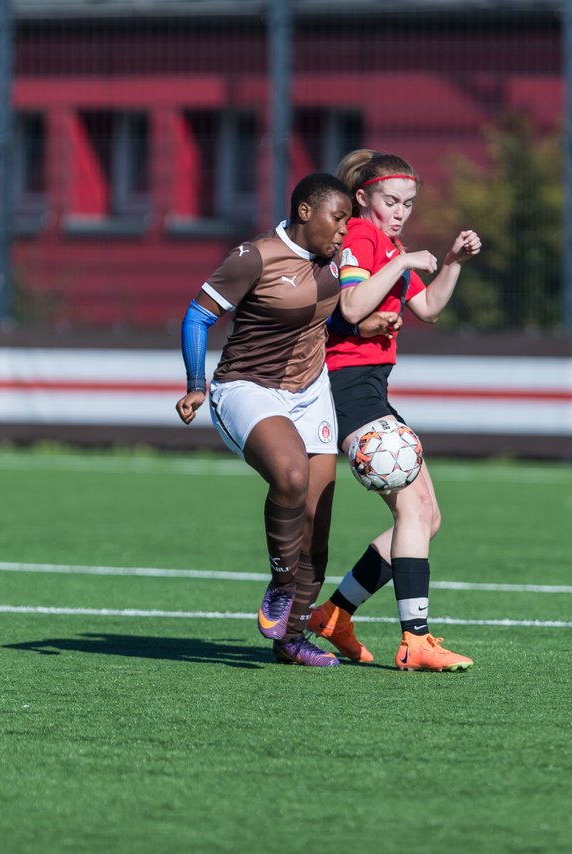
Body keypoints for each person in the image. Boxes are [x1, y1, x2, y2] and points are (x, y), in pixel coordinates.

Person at [175, 172, 397, 667]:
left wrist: (366, 323)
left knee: (317, 526)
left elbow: (328, 316)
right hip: (247, 389)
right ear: (304, 212)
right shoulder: (255, 256)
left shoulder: (335, 260)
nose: (344, 230)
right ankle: (280, 584)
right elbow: (198, 316)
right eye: (337, 218)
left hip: (310, 391)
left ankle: (291, 640)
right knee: (291, 476)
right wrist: (195, 383)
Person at [308, 149, 482, 672]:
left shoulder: (388, 244)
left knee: (427, 516)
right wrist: (402, 262)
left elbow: (426, 308)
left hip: (372, 390)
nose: (401, 211)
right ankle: (416, 639)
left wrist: (450, 264)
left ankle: (335, 616)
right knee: (413, 511)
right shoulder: (362, 234)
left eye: (408, 203)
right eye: (391, 201)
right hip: (348, 389)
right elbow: (353, 307)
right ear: (363, 198)